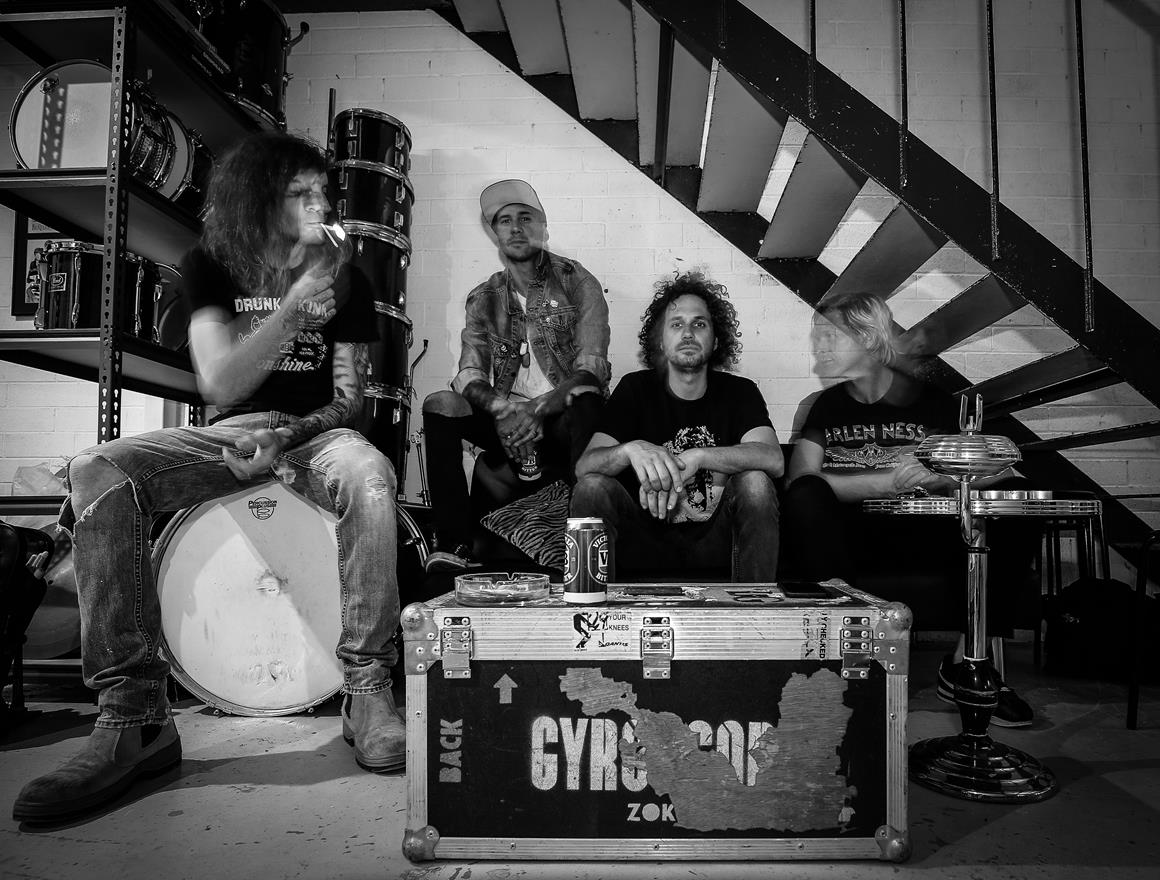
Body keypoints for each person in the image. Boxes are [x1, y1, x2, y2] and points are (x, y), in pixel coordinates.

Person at [13, 133, 405, 825]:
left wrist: (288, 436)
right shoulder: (213, 264)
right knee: (99, 469)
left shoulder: (350, 276)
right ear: (260, 199)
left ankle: (368, 690)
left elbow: (351, 403)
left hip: (313, 433)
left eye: (323, 191)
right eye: (300, 193)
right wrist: (293, 307)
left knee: (369, 472)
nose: (319, 204)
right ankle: (134, 716)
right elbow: (220, 381)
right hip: (231, 428)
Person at [779, 291, 1035, 727]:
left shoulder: (936, 403)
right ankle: (846, 661)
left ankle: (969, 664)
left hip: (928, 534)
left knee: (1015, 501)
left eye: (828, 335)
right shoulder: (825, 406)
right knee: (806, 497)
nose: (818, 345)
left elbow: (1002, 472)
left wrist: (941, 477)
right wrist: (887, 481)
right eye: (816, 335)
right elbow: (801, 481)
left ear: (866, 337)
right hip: (851, 538)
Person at [421, 179, 610, 571]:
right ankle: (455, 544)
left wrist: (537, 409)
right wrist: (503, 411)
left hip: (563, 418)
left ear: (543, 228)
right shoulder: (484, 297)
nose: (516, 228)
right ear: (496, 234)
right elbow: (468, 374)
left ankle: (582, 544)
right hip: (506, 419)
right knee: (441, 403)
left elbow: (591, 371)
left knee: (586, 399)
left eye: (526, 218)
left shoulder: (577, 282)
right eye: (504, 221)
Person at [571, 271, 782, 581]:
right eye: (676, 324)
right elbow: (584, 467)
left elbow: (773, 459)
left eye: (699, 324)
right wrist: (630, 450)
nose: (688, 333)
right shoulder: (635, 388)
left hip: (715, 541)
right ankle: (589, 604)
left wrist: (699, 456)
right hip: (644, 540)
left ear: (716, 340)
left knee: (756, 482)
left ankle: (754, 603)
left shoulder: (740, 392)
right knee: (591, 486)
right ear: (660, 340)